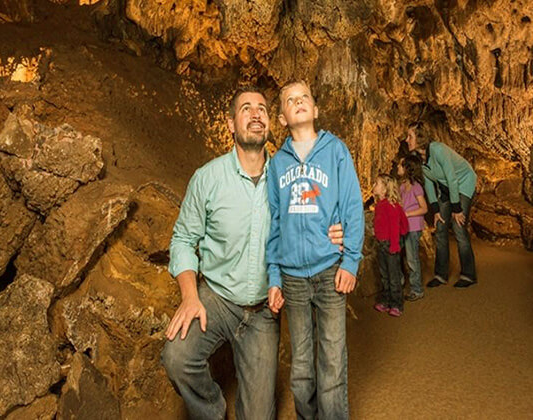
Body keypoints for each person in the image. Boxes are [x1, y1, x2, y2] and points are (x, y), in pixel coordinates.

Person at [161, 86, 344, 420]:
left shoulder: (289, 178)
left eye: (262, 108)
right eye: (246, 108)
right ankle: (214, 413)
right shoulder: (208, 178)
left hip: (263, 311)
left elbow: (317, 216)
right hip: (217, 298)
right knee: (177, 357)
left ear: (270, 123)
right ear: (231, 124)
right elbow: (184, 239)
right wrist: (190, 296)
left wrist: (337, 231)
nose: (256, 113)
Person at [265, 80, 364, 419]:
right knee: (302, 366)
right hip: (292, 277)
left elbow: (352, 206)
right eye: (291, 100)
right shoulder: (277, 164)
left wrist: (350, 260)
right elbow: (275, 223)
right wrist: (274, 275)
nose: (299, 102)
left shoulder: (335, 151)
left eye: (305, 97)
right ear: (282, 118)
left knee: (333, 360)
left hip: (329, 271)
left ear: (315, 109)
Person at [405, 122, 478, 288]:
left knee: (458, 227)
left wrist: (457, 209)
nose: (406, 139)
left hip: (463, 183)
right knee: (440, 228)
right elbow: (429, 183)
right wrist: (436, 210)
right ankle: (441, 274)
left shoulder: (438, 150)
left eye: (410, 136)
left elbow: (452, 178)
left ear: (420, 138)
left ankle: (468, 274)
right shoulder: (419, 158)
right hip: (446, 188)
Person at [372, 174, 409, 317]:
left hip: (390, 244)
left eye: (376, 183)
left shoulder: (390, 205)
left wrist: (395, 244)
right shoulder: (380, 205)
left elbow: (396, 226)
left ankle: (397, 304)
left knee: (393, 276)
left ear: (384, 189)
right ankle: (386, 301)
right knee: (384, 275)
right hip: (382, 244)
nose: (373, 185)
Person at [397, 154, 428, 301]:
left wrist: (407, 213)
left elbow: (424, 208)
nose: (397, 167)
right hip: (403, 227)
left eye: (400, 165)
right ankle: (400, 283)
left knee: (412, 259)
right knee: (399, 256)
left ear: (408, 168)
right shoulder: (402, 186)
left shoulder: (416, 187)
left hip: (414, 227)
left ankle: (417, 289)